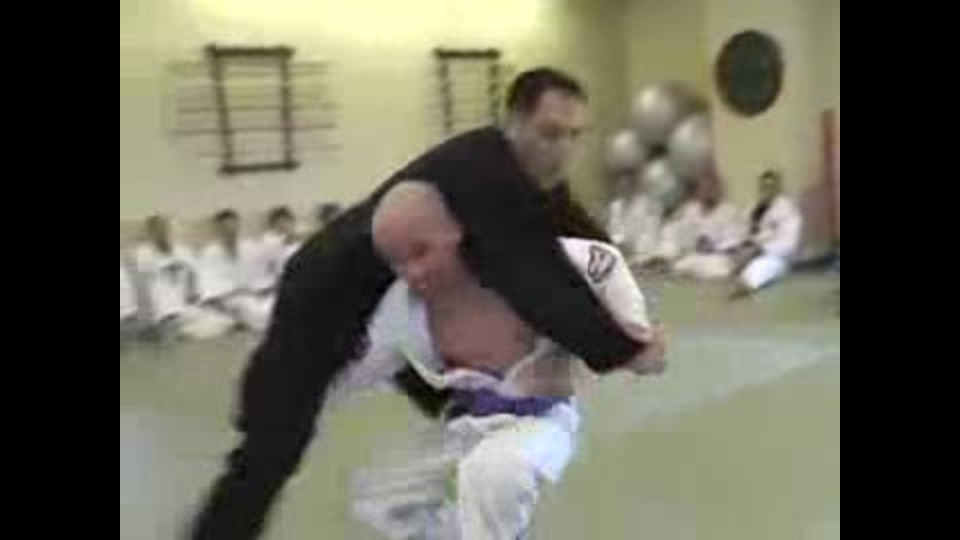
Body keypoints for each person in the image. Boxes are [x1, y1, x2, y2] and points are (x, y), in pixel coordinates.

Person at [190, 68, 649, 540]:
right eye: (550, 133)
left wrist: (616, 277)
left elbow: (569, 222)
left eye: (575, 135)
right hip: (326, 300)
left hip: (401, 302)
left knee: (475, 404)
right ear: (513, 123)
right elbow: (536, 283)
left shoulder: (527, 171)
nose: (563, 150)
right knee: (271, 451)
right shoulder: (484, 173)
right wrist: (624, 347)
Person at [334, 183, 666, 539]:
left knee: (492, 473)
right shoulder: (408, 304)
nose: (412, 271)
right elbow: (355, 368)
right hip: (464, 422)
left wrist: (635, 345)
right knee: (383, 498)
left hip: (538, 419)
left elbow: (636, 339)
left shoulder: (563, 267)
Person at [133, 216, 233, 341]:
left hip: (184, 307)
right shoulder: (143, 252)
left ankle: (179, 331)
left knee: (224, 322)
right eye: (156, 230)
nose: (161, 233)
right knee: (195, 326)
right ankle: (169, 329)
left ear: (168, 230)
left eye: (164, 228)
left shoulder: (181, 251)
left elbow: (194, 274)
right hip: (164, 311)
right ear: (150, 233)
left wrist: (197, 294)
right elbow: (144, 284)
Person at [652, 174, 745, 280]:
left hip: (717, 257)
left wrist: (712, 246)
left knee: (715, 267)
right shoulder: (691, 209)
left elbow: (734, 239)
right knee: (681, 261)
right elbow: (678, 231)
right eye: (705, 188)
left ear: (720, 190)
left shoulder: (729, 211)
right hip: (691, 254)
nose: (708, 191)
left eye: (712, 188)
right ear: (699, 190)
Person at [198, 210, 275, 333]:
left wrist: (262, 289)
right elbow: (209, 280)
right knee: (251, 308)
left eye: (234, 225)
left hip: (253, 293)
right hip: (230, 296)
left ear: (238, 226)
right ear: (219, 229)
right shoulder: (210, 252)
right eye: (226, 227)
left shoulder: (250, 247)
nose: (231, 230)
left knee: (274, 304)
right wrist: (220, 298)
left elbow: (261, 273)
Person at [729, 170, 803, 296]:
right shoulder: (753, 208)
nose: (767, 191)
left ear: (778, 189)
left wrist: (758, 250)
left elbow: (789, 244)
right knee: (719, 262)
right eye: (764, 187)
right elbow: (742, 232)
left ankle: (745, 284)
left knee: (762, 266)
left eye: (771, 187)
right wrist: (741, 247)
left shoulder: (788, 210)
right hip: (748, 253)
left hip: (775, 256)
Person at [607, 170, 666, 268]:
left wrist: (632, 248)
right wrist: (619, 242)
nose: (623, 189)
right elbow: (613, 231)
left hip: (643, 255)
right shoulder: (615, 207)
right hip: (621, 255)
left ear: (633, 186)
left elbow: (650, 235)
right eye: (620, 186)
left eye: (627, 186)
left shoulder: (649, 206)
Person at [259, 206, 301, 292]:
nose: (283, 227)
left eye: (285, 222)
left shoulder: (302, 242)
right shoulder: (271, 244)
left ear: (292, 222)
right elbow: (271, 269)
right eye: (278, 225)